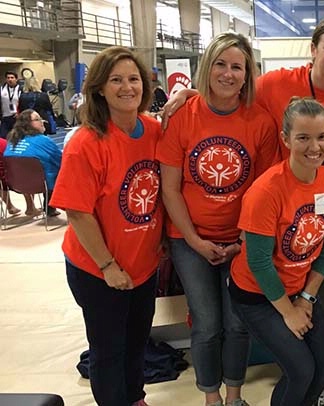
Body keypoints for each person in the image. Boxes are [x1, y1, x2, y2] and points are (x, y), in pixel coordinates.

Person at [163, 16, 324, 406]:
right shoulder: (276, 86)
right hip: (255, 226)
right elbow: (227, 89)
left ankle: (320, 390)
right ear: (313, 49)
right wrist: (189, 93)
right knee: (214, 322)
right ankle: (230, 394)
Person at [157, 31, 279, 406]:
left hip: (240, 240)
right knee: (207, 324)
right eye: (221, 64)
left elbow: (264, 190)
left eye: (237, 67)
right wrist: (194, 241)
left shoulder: (259, 121)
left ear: (248, 74)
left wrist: (243, 242)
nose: (228, 74)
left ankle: (235, 395)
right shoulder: (183, 116)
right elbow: (170, 188)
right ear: (207, 68)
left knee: (237, 322)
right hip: (190, 240)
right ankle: (212, 399)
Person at [49, 46, 164, 406]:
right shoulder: (86, 143)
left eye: (134, 79)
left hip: (142, 264)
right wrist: (107, 266)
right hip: (98, 268)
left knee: (136, 342)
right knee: (108, 350)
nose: (127, 87)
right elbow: (78, 213)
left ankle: (135, 397)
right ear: (99, 87)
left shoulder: (153, 131)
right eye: (116, 80)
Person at [228, 97, 324, 405]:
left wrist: (306, 297)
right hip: (256, 296)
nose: (314, 147)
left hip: (298, 292)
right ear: (286, 139)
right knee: (301, 370)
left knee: (323, 368)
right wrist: (289, 312)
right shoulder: (266, 191)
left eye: (321, 137)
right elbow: (259, 261)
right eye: (303, 138)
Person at [3, 109, 62, 217]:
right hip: (43, 185)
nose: (42, 121)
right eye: (37, 119)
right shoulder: (43, 140)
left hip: (16, 185)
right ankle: (52, 207)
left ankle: (48, 207)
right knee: (56, 170)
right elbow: (61, 162)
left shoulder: (12, 141)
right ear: (28, 124)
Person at [0, 137, 21, 215]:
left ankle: (10, 207)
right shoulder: (4, 143)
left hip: (2, 181)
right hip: (9, 180)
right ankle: (31, 207)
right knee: (26, 173)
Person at [1, 71, 21, 139]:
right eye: (8, 78)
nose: (10, 79)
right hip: (5, 117)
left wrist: (20, 112)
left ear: (16, 79)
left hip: (16, 117)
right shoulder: (2, 88)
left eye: (12, 78)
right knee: (3, 137)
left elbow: (23, 102)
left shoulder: (20, 89)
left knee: (17, 137)